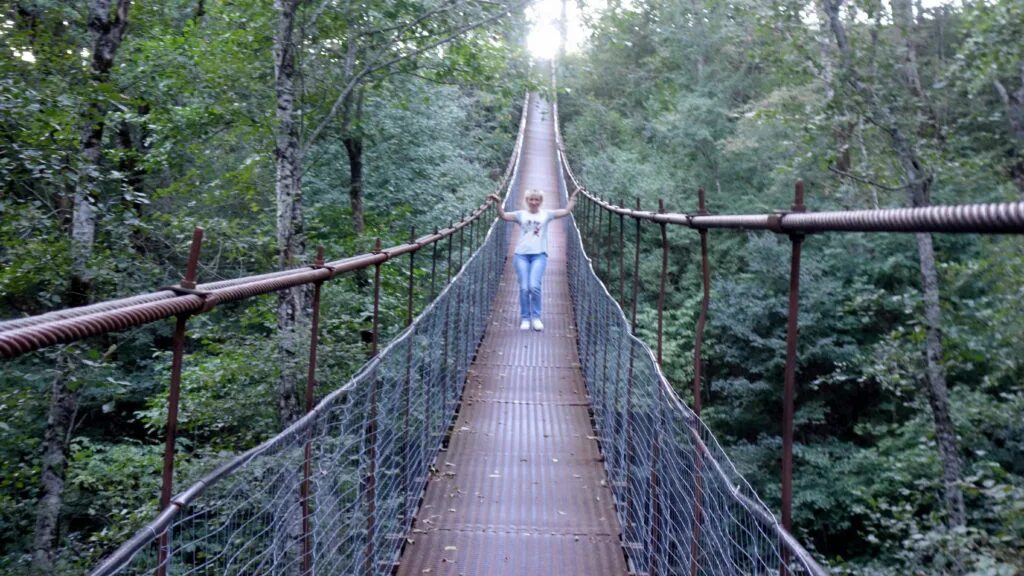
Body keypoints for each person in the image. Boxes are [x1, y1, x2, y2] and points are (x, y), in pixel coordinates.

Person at [488, 187, 578, 331]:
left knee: (534, 286)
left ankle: (536, 317)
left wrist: (573, 199)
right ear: (527, 200)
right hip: (521, 255)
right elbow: (503, 216)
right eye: (531, 199)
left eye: (536, 199)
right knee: (524, 288)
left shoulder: (546, 214)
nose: (534, 202)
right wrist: (498, 203)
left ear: (541, 201)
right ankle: (525, 318)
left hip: (539, 255)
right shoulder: (520, 215)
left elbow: (566, 211)